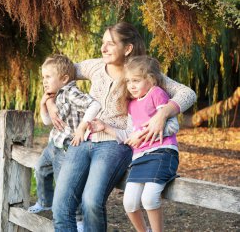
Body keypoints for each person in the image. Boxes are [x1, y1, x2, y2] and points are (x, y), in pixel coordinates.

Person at [48, 22, 197, 231]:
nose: (103, 48)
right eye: (102, 43)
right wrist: (47, 101)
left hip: (114, 144)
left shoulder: (140, 72)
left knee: (91, 201)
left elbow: (187, 93)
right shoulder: (95, 66)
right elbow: (57, 73)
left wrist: (162, 115)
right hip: (82, 139)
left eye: (110, 44)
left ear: (127, 48)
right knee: (61, 204)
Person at [89, 55, 180, 232]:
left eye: (136, 81)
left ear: (151, 79)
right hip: (139, 158)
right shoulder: (131, 105)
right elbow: (131, 134)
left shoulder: (157, 94)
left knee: (149, 199)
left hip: (162, 153)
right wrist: (105, 127)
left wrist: (144, 135)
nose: (131, 85)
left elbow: (172, 126)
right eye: (129, 81)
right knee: (129, 203)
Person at [28, 54, 101, 230]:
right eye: (43, 77)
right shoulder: (55, 94)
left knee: (66, 188)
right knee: (41, 169)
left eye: (48, 77)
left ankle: (79, 220)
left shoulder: (71, 93)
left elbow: (95, 105)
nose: (44, 81)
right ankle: (45, 201)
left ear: (64, 78)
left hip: (67, 149)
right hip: (53, 144)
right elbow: (47, 122)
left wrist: (82, 127)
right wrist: (43, 103)